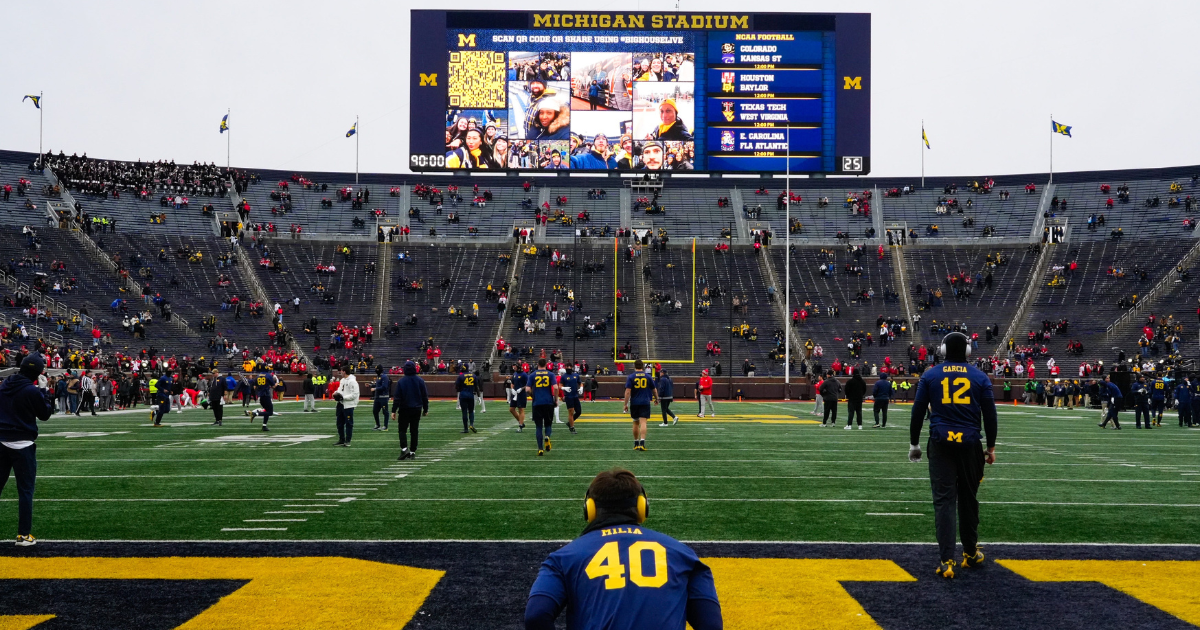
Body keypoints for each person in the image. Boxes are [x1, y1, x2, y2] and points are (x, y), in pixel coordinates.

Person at [524, 468, 722, 630]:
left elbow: (536, 616)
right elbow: (711, 624)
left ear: (590, 509)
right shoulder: (683, 554)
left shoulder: (563, 557)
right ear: (642, 507)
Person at [908, 332, 997, 578]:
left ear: (943, 350)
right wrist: (990, 447)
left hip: (940, 443)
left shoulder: (930, 375)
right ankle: (970, 553)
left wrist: (914, 443)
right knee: (968, 499)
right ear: (968, 352)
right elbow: (990, 415)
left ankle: (947, 561)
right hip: (969, 445)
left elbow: (917, 412)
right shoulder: (979, 376)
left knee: (944, 501)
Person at [0, 354, 53, 546]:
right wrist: (44, 390)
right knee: (25, 491)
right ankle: (23, 535)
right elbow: (45, 414)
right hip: (22, 444)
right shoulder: (31, 391)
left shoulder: (5, 384)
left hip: (1, 440)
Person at [393, 361, 428, 460]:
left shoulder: (401, 381)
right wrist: (426, 409)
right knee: (414, 430)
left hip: (404, 409)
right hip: (416, 409)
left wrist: (393, 410)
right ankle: (412, 452)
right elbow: (424, 396)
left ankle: (404, 449)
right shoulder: (420, 380)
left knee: (402, 430)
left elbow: (397, 398)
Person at [624, 360, 657, 451]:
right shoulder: (648, 376)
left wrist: (625, 404)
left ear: (634, 366)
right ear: (643, 366)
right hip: (645, 402)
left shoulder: (631, 377)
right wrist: (657, 398)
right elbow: (654, 390)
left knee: (635, 422)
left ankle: (636, 443)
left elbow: (627, 392)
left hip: (634, 402)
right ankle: (642, 443)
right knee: (643, 422)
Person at [527, 358, 558, 456]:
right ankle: (547, 436)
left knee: (538, 426)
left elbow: (527, 389)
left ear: (537, 364)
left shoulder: (532, 375)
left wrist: (533, 395)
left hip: (537, 403)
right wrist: (556, 399)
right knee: (548, 424)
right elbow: (556, 387)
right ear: (546, 365)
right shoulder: (550, 374)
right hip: (548, 402)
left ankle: (540, 449)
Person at [333, 367, 360, 446]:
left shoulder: (352, 381)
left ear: (344, 372)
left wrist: (343, 397)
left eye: (341, 371)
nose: (340, 372)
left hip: (348, 405)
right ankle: (341, 439)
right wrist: (335, 393)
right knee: (339, 423)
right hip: (341, 404)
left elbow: (354, 394)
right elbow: (340, 390)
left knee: (348, 423)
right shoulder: (342, 380)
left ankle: (348, 440)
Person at [454, 367, 479, 433]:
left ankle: (466, 429)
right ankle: (471, 424)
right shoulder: (473, 376)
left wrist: (460, 389)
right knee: (471, 411)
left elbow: (456, 386)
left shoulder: (461, 376)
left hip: (463, 395)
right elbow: (476, 386)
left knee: (464, 412)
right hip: (471, 395)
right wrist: (478, 396)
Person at [559, 365, 581, 434]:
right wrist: (564, 388)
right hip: (569, 396)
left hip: (575, 396)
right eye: (567, 368)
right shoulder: (564, 376)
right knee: (571, 412)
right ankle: (572, 427)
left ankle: (569, 423)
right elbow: (560, 385)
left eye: (569, 368)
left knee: (579, 411)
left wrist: (581, 388)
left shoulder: (576, 375)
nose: (569, 369)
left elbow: (580, 383)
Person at [371, 365, 392, 431]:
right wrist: (371, 385)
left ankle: (385, 426)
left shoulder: (384, 377)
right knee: (375, 411)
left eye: (377, 369)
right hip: (377, 397)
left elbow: (384, 387)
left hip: (383, 397)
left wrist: (375, 389)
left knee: (385, 412)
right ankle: (377, 425)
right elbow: (378, 385)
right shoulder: (379, 377)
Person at [510, 366, 529, 431]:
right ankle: (521, 422)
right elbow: (512, 383)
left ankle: (520, 425)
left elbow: (528, 384)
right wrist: (512, 389)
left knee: (520, 409)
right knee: (511, 409)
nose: (514, 369)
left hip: (521, 394)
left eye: (515, 368)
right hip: (515, 393)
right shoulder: (515, 374)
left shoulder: (524, 375)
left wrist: (521, 388)